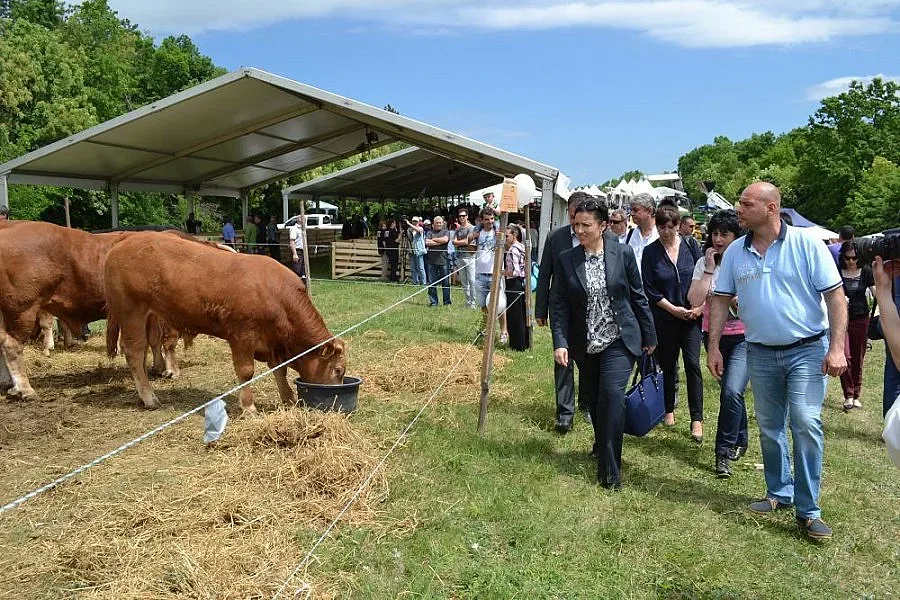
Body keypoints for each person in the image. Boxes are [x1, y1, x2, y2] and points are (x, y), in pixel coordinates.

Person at [708, 181, 847, 542]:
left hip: (807, 349)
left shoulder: (806, 244)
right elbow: (721, 300)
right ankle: (778, 492)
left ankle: (809, 509)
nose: (738, 209)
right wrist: (713, 347)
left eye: (746, 203)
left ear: (770, 208)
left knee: (804, 420)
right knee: (770, 426)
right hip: (760, 351)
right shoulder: (737, 251)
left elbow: (835, 297)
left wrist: (836, 347)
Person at [550, 198, 657, 489]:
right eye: (576, 225)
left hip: (619, 338)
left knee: (611, 395)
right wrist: (560, 342)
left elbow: (638, 297)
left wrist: (649, 336)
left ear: (603, 226)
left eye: (586, 225)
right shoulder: (567, 260)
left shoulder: (622, 255)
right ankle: (602, 440)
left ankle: (610, 472)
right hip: (585, 343)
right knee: (596, 399)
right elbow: (558, 304)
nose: (580, 230)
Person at [687, 209, 748, 478]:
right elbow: (693, 298)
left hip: (744, 337)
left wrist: (735, 300)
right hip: (713, 336)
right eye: (715, 233)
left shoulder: (747, 261)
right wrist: (710, 269)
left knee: (732, 391)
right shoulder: (704, 263)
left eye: (725, 234)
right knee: (730, 389)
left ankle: (723, 452)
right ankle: (741, 436)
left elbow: (753, 307)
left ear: (737, 236)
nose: (718, 239)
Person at [642, 204, 704, 442]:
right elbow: (650, 289)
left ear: (678, 226)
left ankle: (696, 419)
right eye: (661, 226)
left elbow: (704, 276)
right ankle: (668, 409)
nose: (666, 231)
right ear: (656, 226)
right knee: (668, 365)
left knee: (692, 365)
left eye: (671, 226)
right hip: (666, 318)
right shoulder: (650, 252)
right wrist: (672, 309)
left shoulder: (691, 246)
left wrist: (698, 308)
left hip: (691, 318)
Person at [536, 193, 589, 432]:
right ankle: (565, 413)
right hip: (561, 307)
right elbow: (545, 273)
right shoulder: (555, 237)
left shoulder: (601, 237)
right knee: (563, 358)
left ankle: (587, 405)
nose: (576, 223)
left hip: (590, 309)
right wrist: (540, 308)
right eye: (572, 216)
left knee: (589, 359)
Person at [838, 240, 875, 411]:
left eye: (854, 258)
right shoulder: (837, 272)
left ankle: (856, 393)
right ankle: (848, 394)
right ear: (842, 257)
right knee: (845, 357)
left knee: (858, 356)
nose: (851, 261)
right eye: (847, 258)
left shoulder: (866, 271)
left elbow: (877, 293)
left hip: (861, 318)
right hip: (841, 319)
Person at [469, 207, 507, 340]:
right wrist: (471, 238)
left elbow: (506, 247)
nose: (489, 221)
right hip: (480, 273)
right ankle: (486, 330)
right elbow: (471, 251)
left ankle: (503, 332)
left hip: (494, 273)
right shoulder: (477, 232)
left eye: (491, 218)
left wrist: (501, 239)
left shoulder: (499, 231)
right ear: (481, 220)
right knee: (484, 305)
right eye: (486, 219)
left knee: (499, 304)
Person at [502, 224, 529, 351]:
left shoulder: (513, 250)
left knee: (514, 315)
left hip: (513, 283)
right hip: (520, 283)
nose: (505, 238)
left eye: (507, 236)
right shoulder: (521, 247)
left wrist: (501, 272)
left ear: (514, 235)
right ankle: (524, 341)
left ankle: (518, 344)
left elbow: (515, 271)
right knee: (521, 313)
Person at [626, 193, 659, 272]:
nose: (631, 213)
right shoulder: (629, 235)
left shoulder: (661, 235)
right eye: (631, 210)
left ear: (649, 211)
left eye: (635, 210)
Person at [425, 216, 452, 306]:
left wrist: (434, 240)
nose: (439, 224)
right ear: (433, 224)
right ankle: (433, 302)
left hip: (444, 261)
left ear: (443, 223)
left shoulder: (446, 232)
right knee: (432, 283)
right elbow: (427, 243)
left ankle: (447, 302)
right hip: (431, 261)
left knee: (446, 283)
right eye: (437, 222)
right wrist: (440, 242)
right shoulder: (429, 232)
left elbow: (445, 240)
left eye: (440, 222)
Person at [454, 209, 477, 308]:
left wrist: (460, 242)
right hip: (459, 256)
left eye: (463, 216)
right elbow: (453, 242)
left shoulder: (472, 228)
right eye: (460, 216)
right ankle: (468, 301)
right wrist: (462, 242)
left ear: (467, 216)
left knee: (472, 280)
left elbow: (468, 241)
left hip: (470, 256)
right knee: (464, 281)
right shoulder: (457, 229)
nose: (461, 218)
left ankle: (473, 302)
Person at [405, 217, 427, 285]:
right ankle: (415, 282)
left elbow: (418, 230)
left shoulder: (420, 228)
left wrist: (409, 224)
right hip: (411, 250)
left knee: (420, 268)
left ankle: (423, 282)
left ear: (418, 222)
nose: (414, 222)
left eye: (416, 221)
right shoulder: (409, 230)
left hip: (419, 251)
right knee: (413, 268)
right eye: (413, 221)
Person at [288, 216, 306, 281]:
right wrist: (295, 254)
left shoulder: (303, 229)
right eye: (302, 218)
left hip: (304, 251)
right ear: (298, 220)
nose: (305, 219)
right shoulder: (294, 229)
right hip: (298, 251)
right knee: (297, 269)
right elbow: (292, 241)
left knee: (303, 269)